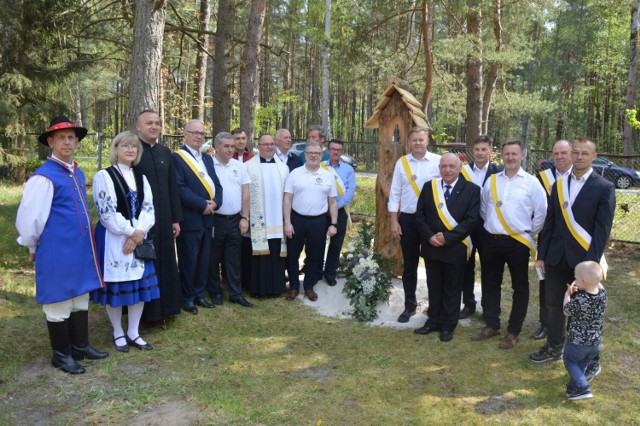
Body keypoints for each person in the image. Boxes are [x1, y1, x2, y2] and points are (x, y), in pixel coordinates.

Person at [16, 116, 108, 374]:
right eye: (61, 138)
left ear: (77, 142)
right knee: (59, 299)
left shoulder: (76, 171)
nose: (67, 142)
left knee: (80, 295)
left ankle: (80, 346)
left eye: (71, 138)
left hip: (79, 247)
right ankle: (61, 354)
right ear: (50, 142)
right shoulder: (43, 177)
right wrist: (31, 245)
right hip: (57, 248)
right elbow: (31, 217)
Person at [530, 137, 615, 371]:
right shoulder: (558, 185)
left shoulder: (604, 187)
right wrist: (541, 255)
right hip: (556, 257)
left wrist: (591, 263)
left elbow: (601, 231)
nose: (579, 157)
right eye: (575, 152)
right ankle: (554, 346)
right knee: (554, 305)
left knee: (583, 312)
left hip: (583, 261)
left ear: (593, 157)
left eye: (584, 153)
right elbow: (551, 223)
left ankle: (580, 352)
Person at [472, 140, 547, 349]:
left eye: (515, 154)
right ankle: (492, 324)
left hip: (518, 243)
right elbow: (484, 209)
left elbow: (541, 212)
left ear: (522, 156)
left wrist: (527, 231)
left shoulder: (531, 183)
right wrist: (494, 227)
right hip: (492, 241)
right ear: (501, 156)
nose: (511, 158)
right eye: (507, 154)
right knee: (490, 283)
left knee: (520, 287)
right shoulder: (492, 181)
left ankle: (513, 331)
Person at [92, 131, 158, 352]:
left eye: (134, 147)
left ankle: (133, 331)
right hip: (114, 237)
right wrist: (131, 232)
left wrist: (139, 233)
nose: (130, 150)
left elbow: (149, 209)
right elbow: (106, 212)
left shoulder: (141, 177)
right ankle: (117, 331)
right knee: (117, 285)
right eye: (125, 146)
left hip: (138, 236)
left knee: (138, 285)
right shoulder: (104, 175)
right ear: (116, 149)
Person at [413, 154, 480, 342]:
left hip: (455, 247)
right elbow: (420, 216)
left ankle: (448, 324)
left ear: (460, 168)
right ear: (439, 168)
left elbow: (471, 220)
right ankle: (432, 320)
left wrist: (447, 237)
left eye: (452, 166)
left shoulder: (472, 190)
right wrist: (429, 236)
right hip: (432, 246)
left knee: (452, 287)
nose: (447, 170)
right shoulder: (429, 187)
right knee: (434, 286)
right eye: (444, 166)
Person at [133, 110, 184, 324]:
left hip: (164, 219)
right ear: (138, 126)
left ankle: (167, 308)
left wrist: (175, 219)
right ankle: (145, 314)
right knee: (146, 265)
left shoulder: (165, 152)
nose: (154, 127)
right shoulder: (132, 152)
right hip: (142, 221)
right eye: (149, 123)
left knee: (166, 261)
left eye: (157, 123)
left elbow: (172, 188)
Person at [388, 126, 441, 323]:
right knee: (409, 266)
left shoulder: (437, 162)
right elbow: (395, 193)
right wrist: (394, 220)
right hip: (408, 221)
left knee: (433, 265)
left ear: (427, 141)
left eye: (421, 140)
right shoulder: (402, 163)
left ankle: (435, 307)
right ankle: (410, 306)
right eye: (414, 140)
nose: (418, 143)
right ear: (408, 142)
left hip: (431, 221)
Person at [173, 120, 223, 314]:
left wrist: (216, 203)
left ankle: (199, 294)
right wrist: (202, 204)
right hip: (191, 217)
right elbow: (180, 188)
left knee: (204, 259)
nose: (198, 136)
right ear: (185, 134)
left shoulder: (208, 159)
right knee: (189, 259)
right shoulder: (177, 158)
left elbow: (217, 185)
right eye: (194, 133)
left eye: (202, 133)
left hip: (208, 218)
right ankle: (187, 297)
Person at [284, 141, 338, 302]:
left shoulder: (328, 175)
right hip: (297, 219)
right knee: (292, 255)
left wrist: (333, 223)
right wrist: (287, 222)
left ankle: (309, 287)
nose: (313, 156)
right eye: (310, 153)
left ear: (322, 155)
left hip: (319, 221)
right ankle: (293, 286)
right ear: (305, 155)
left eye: (317, 153)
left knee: (315, 255)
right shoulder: (295, 173)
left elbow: (333, 202)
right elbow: (287, 199)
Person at [531, 139, 573, 340]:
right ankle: (546, 324)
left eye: (563, 153)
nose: (559, 157)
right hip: (551, 240)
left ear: (571, 154)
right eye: (556, 153)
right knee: (546, 285)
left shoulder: (579, 179)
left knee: (576, 286)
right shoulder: (543, 178)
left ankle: (572, 326)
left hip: (575, 243)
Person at [208, 132, 254, 307]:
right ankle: (215, 293)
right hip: (215, 220)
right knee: (213, 259)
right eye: (226, 146)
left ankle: (236, 293)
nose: (229, 149)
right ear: (217, 146)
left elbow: (246, 193)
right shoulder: (208, 165)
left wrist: (244, 217)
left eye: (232, 146)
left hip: (235, 219)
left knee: (234, 259)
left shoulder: (239, 166)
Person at [458, 135, 502, 319]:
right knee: (466, 267)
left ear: (490, 152)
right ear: (472, 152)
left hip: (488, 228)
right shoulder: (463, 172)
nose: (480, 153)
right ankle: (469, 304)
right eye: (477, 149)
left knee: (489, 269)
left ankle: (489, 307)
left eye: (484, 149)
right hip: (467, 227)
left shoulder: (499, 172)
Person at [246, 134, 290, 297]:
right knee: (260, 256)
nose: (270, 147)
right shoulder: (249, 166)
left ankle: (277, 288)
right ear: (259, 146)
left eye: (272, 144)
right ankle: (259, 288)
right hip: (259, 220)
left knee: (276, 254)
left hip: (278, 219)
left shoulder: (283, 167)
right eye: (266, 144)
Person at [562, 261, 607, 401]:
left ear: (584, 281)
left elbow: (566, 310)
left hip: (578, 343)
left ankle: (583, 388)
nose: (574, 280)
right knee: (581, 364)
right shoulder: (603, 294)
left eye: (576, 277)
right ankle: (572, 389)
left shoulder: (581, 299)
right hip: (595, 343)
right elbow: (598, 284)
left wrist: (568, 294)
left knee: (570, 361)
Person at [322, 140, 356, 286]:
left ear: (342, 152)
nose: (336, 152)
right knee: (317, 242)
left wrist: (334, 207)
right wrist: (325, 208)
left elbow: (350, 192)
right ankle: (316, 271)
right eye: (333, 149)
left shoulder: (348, 169)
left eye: (339, 150)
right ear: (328, 151)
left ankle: (330, 273)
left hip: (339, 211)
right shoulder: (321, 166)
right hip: (321, 211)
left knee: (336, 244)